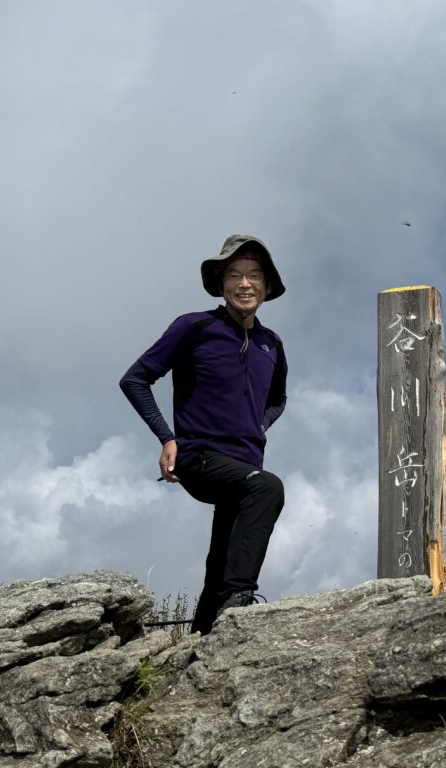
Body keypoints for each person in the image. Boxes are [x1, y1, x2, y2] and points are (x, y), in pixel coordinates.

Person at [120, 234, 288, 635]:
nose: (244, 283)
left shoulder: (272, 345)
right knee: (267, 490)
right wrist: (167, 437)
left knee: (223, 560)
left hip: (244, 463)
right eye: (234, 274)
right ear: (221, 283)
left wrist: (256, 425)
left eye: (253, 275)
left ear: (266, 286)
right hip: (198, 456)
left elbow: (279, 399)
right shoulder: (194, 327)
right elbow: (135, 380)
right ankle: (239, 603)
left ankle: (201, 638)